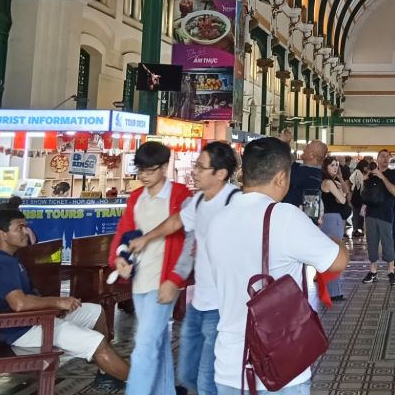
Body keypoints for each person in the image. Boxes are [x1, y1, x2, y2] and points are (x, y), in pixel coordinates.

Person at [206, 136, 349, 394]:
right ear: (282, 178)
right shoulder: (284, 217)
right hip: (281, 366)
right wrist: (333, 236)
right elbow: (337, 262)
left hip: (229, 367)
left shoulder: (217, 221)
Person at [128, 141, 240, 395]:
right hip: (199, 303)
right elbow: (176, 223)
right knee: (188, 373)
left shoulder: (235, 202)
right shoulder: (198, 201)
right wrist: (147, 238)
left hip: (223, 305)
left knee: (207, 379)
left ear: (220, 174)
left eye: (201, 167)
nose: (194, 171)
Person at [0, 208, 130, 391]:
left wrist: (54, 306)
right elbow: (19, 303)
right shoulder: (0, 263)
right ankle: (148, 386)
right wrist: (58, 302)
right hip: (22, 331)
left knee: (96, 312)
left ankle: (105, 374)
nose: (25, 232)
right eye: (19, 228)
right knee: (97, 343)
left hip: (37, 319)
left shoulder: (8, 258)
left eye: (25, 227)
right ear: (2, 235)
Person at [109, 140, 190, 395]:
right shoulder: (136, 197)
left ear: (165, 167)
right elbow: (123, 233)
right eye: (140, 170)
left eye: (150, 170)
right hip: (140, 278)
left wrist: (177, 278)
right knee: (156, 340)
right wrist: (118, 259)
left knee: (144, 344)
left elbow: (188, 239)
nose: (144, 176)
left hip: (164, 280)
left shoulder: (180, 195)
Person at [361, 149, 395, 285]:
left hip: (385, 214)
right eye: (382, 156)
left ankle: (391, 271)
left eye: (387, 156)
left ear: (390, 159)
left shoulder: (393, 174)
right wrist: (366, 178)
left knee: (387, 243)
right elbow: (363, 193)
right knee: (371, 243)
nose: (385, 158)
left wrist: (382, 177)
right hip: (371, 214)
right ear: (377, 159)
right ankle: (373, 271)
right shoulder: (371, 175)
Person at [320, 156, 348, 301]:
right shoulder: (330, 182)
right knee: (334, 256)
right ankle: (334, 292)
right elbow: (343, 199)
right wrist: (341, 192)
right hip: (333, 219)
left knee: (329, 256)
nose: (335, 168)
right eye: (332, 165)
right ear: (326, 167)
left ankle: (329, 290)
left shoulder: (326, 182)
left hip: (327, 219)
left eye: (336, 165)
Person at [283, 139, 326, 208]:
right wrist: (286, 142)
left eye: (307, 147)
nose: (303, 149)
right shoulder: (300, 167)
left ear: (312, 155)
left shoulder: (313, 177)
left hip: (293, 215)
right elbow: (289, 159)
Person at [349, 158, 368, 236]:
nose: (367, 168)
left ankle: (356, 229)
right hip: (358, 196)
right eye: (366, 166)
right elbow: (362, 182)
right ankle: (355, 230)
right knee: (357, 213)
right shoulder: (359, 172)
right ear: (363, 166)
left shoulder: (356, 171)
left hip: (356, 196)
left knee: (357, 213)